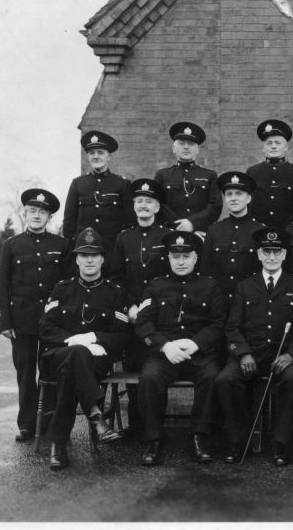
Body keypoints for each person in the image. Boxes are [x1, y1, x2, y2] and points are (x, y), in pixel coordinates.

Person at [216, 227, 293, 465]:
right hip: (251, 354)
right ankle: (237, 441)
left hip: (282, 355)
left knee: (292, 379)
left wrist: (292, 355)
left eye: (276, 252)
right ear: (258, 254)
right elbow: (232, 327)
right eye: (266, 252)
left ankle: (281, 443)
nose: (271, 257)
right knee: (226, 379)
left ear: (284, 255)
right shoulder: (245, 286)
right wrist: (243, 353)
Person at [39, 227, 131, 470]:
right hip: (58, 355)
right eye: (83, 255)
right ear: (76, 259)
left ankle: (58, 444)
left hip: (96, 361)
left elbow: (123, 336)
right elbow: (46, 328)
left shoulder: (115, 293)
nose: (89, 260)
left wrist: (95, 337)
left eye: (94, 255)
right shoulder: (62, 288)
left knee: (73, 368)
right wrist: (74, 341)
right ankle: (96, 417)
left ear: (102, 258)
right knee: (76, 355)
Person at [135, 230, 227, 466]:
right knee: (149, 377)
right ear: (168, 258)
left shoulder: (210, 286)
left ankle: (199, 437)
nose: (181, 261)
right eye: (176, 257)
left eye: (186, 256)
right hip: (165, 353)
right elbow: (143, 323)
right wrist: (165, 346)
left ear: (196, 258)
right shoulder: (155, 287)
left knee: (212, 376)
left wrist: (196, 343)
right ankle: (154, 440)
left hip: (199, 353)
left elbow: (219, 324)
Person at [0, 189, 71, 442]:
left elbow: (68, 285)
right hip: (22, 321)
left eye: (43, 212)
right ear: (25, 213)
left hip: (52, 321)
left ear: (49, 217)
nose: (37, 216)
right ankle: (27, 424)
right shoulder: (12, 245)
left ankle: (49, 423)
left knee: (50, 371)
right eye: (33, 211)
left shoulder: (61, 245)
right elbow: (2, 286)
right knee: (26, 373)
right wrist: (3, 322)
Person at [109, 178, 171, 437]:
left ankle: (156, 426)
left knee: (155, 369)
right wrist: (130, 307)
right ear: (133, 207)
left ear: (157, 207)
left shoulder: (167, 236)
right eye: (139, 202)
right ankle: (135, 425)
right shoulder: (124, 238)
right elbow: (116, 279)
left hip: (159, 317)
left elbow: (171, 278)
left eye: (148, 202)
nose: (143, 206)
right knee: (133, 367)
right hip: (133, 316)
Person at [62, 131, 134, 258]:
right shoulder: (78, 184)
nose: (96, 156)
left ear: (109, 157)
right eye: (92, 153)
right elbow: (69, 223)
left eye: (100, 153)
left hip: (113, 252)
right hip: (85, 252)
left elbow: (130, 222)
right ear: (88, 156)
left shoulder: (122, 184)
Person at [200, 171, 265, 302]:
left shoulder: (260, 231)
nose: (233, 198)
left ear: (248, 198)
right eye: (229, 194)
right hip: (219, 301)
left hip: (250, 300)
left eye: (239, 193)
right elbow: (205, 270)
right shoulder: (214, 230)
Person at [154, 121, 222, 237]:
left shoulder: (210, 175)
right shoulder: (162, 175)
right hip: (170, 234)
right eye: (181, 143)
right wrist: (179, 226)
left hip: (200, 234)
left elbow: (215, 206)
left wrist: (192, 223)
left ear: (197, 149)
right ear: (174, 148)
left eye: (190, 144)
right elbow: (159, 205)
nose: (186, 147)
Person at [246, 119, 293, 228]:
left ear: (286, 147)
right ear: (263, 147)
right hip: (258, 230)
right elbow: (248, 206)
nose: (273, 146)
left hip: (288, 230)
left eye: (278, 143)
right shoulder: (252, 172)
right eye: (269, 143)